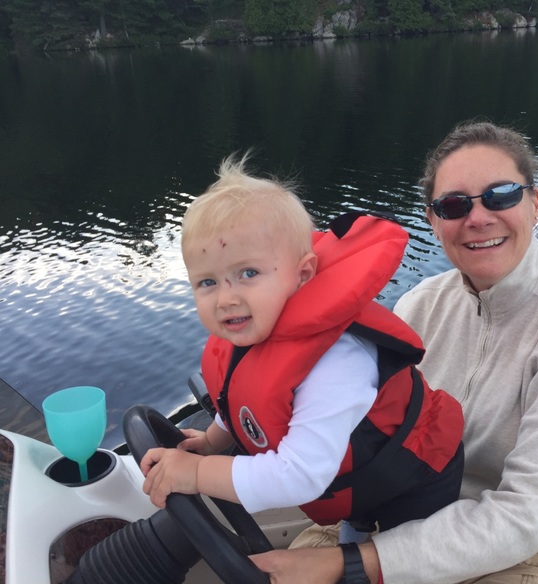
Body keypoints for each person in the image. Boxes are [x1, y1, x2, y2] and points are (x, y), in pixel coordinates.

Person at [252, 120, 538, 584]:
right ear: (433, 221)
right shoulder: (420, 305)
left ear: (534, 203)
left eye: (501, 195)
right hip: (406, 519)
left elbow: (529, 515)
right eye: (454, 205)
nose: (478, 218)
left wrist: (353, 563)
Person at [139, 153, 464, 545]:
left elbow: (300, 476)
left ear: (303, 274)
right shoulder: (248, 330)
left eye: (248, 273)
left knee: (397, 563)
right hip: (359, 478)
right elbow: (241, 399)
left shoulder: (337, 361)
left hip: (415, 481)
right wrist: (212, 442)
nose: (226, 298)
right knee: (354, 526)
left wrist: (194, 474)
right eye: (207, 282)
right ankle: (355, 527)